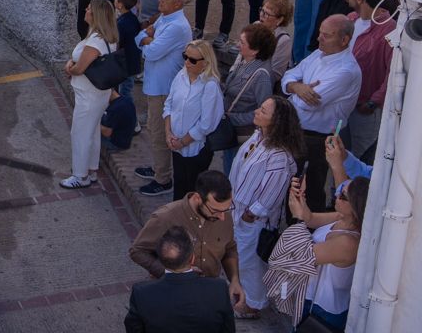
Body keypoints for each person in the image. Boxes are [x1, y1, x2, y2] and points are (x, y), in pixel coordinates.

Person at [228, 96, 303, 319]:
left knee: (250, 262)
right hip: (237, 210)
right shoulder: (258, 137)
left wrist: (252, 214)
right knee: (240, 257)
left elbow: (272, 193)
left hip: (254, 220)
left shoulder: (279, 155)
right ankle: (241, 294)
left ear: (276, 121)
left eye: (263, 111)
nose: (257, 112)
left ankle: (253, 303)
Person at [129, 170, 244, 308]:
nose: (222, 217)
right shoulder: (165, 217)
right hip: (171, 295)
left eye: (226, 209)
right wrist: (172, 274)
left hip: (208, 295)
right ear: (197, 198)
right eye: (215, 211)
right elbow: (137, 251)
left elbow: (229, 248)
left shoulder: (224, 216)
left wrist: (235, 280)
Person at [281, 14, 361, 211]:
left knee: (310, 190)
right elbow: (289, 75)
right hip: (297, 130)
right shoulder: (318, 54)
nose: (319, 39)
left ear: (344, 40)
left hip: (318, 139)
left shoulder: (346, 71)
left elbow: (310, 104)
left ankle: (305, 233)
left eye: (326, 35)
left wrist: (294, 90)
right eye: (320, 33)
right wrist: (297, 87)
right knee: (289, 184)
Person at [287, 175, 369, 330]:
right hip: (312, 298)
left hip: (323, 309)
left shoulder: (348, 242)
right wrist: (299, 201)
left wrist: (297, 216)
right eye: (340, 190)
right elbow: (310, 218)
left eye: (343, 196)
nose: (336, 195)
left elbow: (299, 256)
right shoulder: (340, 217)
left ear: (355, 206)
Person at [134, 0, 194, 197]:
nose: (160, 0)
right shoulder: (164, 18)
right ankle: (159, 167)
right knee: (154, 128)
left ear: (178, 4)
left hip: (164, 88)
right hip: (155, 84)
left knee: (159, 132)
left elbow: (150, 52)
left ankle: (163, 178)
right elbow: (140, 37)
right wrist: (148, 39)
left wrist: (148, 40)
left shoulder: (177, 25)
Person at [124, 225, 236, 333]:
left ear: (161, 260)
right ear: (192, 259)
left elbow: (133, 328)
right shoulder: (218, 288)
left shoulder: (142, 293)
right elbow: (228, 329)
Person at [60, 0, 119, 189]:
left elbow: (80, 68)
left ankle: (80, 175)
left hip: (89, 96)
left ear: (96, 15)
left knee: (80, 133)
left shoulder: (95, 41)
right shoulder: (105, 36)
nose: (85, 10)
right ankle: (91, 170)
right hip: (97, 94)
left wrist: (70, 67)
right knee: (92, 132)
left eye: (88, 9)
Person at [164, 39, 224, 200]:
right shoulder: (181, 75)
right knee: (179, 188)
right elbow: (169, 104)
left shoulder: (210, 86)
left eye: (192, 60)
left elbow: (206, 124)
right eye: (185, 57)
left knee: (191, 192)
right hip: (176, 144)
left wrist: (183, 142)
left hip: (196, 149)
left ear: (205, 63)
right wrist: (168, 133)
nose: (187, 62)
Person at [344, 0, 394, 160]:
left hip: (364, 108)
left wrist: (374, 101)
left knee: (357, 158)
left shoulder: (388, 28)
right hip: (343, 102)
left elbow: (392, 72)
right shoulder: (350, 19)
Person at [216, 23, 276, 173]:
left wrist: (234, 118)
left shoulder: (261, 76)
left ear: (255, 50)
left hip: (241, 133)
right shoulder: (244, 60)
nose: (237, 44)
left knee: (233, 172)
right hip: (232, 128)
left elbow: (264, 111)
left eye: (242, 42)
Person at [256, 0, 294, 80]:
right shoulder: (255, 25)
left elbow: (276, 73)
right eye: (262, 10)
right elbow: (240, 57)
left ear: (280, 19)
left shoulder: (283, 40)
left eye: (267, 14)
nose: (261, 15)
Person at [114, 0, 143, 99]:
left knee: (125, 90)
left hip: (126, 62)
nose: (114, 0)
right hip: (131, 60)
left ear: (120, 5)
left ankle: (126, 110)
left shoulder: (122, 23)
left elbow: (118, 41)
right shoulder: (132, 18)